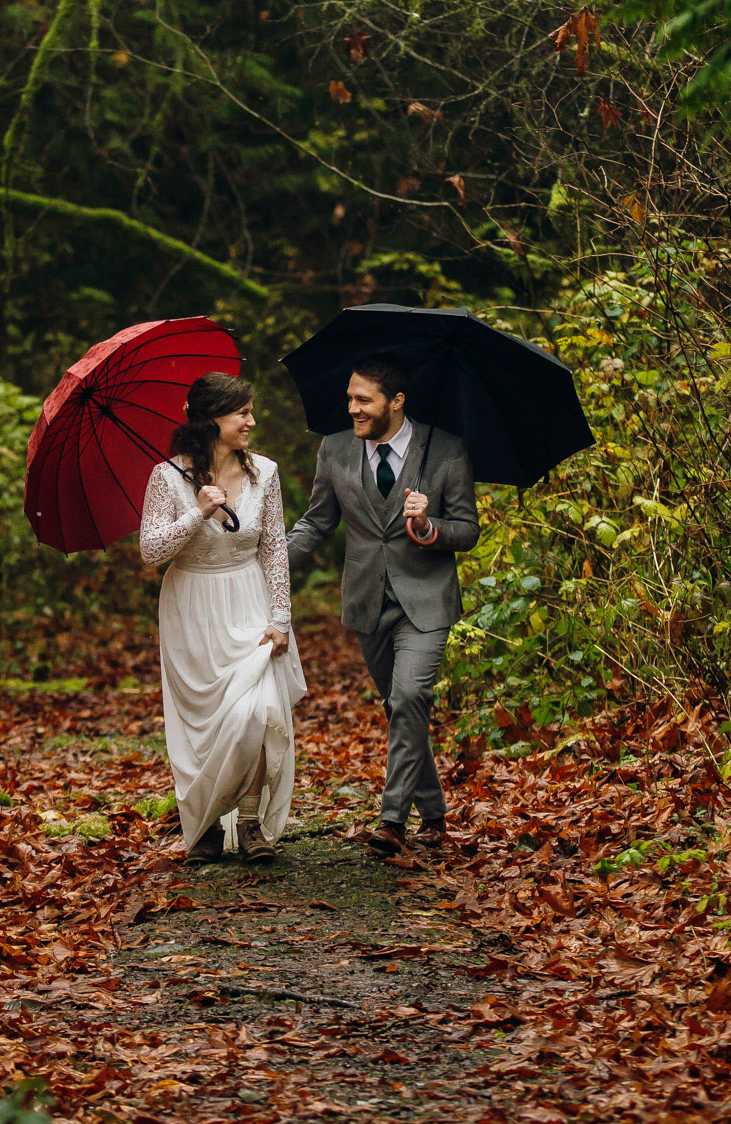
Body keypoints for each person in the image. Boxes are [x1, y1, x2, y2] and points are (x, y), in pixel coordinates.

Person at [287, 357, 477, 856]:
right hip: (367, 601)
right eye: (350, 398)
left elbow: (468, 529)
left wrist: (430, 526)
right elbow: (318, 522)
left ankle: (392, 820)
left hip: (427, 601)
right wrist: (265, 560)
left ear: (396, 402)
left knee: (409, 695)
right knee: (402, 708)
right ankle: (433, 815)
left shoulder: (446, 450)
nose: (352, 408)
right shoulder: (335, 449)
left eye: (363, 399)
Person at [139, 372, 307, 863]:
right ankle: (207, 823)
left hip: (249, 599)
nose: (252, 421)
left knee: (257, 710)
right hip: (191, 606)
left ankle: (252, 823)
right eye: (243, 413)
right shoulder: (167, 477)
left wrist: (281, 617)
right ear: (212, 419)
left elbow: (274, 547)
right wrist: (197, 513)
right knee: (204, 725)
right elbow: (151, 550)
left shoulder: (266, 473)